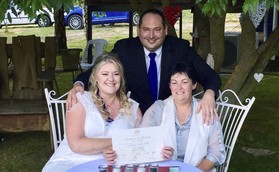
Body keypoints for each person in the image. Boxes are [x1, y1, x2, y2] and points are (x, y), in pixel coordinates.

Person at [68, 8, 221, 124]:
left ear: (166, 30)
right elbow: (96, 72)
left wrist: (209, 95)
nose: (151, 35)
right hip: (134, 120)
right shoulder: (124, 49)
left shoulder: (180, 48)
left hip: (171, 120)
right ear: (138, 30)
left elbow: (211, 76)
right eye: (146, 29)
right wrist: (79, 84)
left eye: (157, 29)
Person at [33, 53, 142, 172]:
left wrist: (119, 149)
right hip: (72, 159)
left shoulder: (132, 107)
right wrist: (114, 142)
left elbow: (138, 143)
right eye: (105, 74)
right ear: (95, 78)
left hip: (114, 162)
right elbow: (76, 143)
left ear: (121, 78)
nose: (111, 79)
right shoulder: (80, 100)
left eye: (116, 74)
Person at [140, 60, 226, 172]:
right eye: (174, 82)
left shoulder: (206, 110)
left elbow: (216, 153)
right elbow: (142, 142)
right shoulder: (158, 109)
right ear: (169, 85)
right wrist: (157, 152)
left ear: (194, 84)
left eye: (184, 82)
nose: (179, 87)